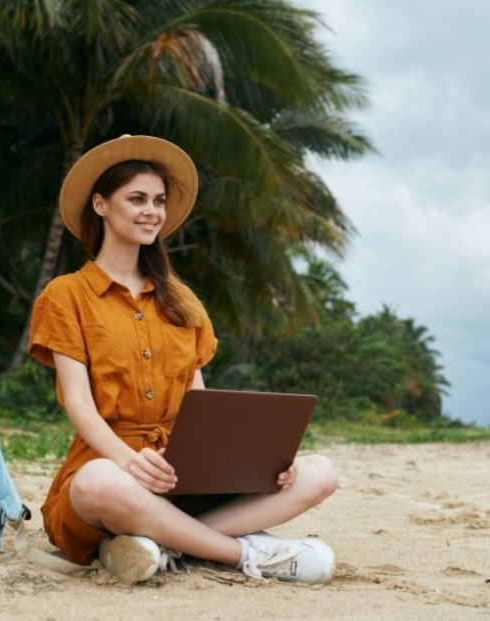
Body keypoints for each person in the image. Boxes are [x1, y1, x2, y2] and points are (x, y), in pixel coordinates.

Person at [28, 134, 339, 585]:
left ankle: (157, 546)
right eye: (136, 199)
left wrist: (247, 463)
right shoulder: (66, 295)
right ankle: (243, 554)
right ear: (100, 204)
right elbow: (78, 403)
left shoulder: (181, 299)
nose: (151, 211)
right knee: (97, 481)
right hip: (112, 471)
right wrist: (128, 461)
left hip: (183, 472)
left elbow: (201, 404)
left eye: (158, 200)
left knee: (318, 474)